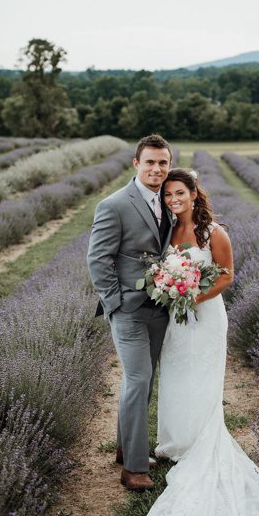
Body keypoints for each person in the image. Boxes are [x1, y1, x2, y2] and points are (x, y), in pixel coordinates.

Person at [140, 168, 259, 516]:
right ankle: (177, 442)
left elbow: (227, 275)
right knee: (175, 374)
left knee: (202, 378)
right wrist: (170, 289)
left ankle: (200, 442)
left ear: (193, 193)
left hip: (205, 316)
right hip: (177, 315)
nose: (173, 200)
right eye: (168, 195)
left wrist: (191, 295)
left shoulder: (213, 232)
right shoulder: (169, 232)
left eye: (179, 194)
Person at [87, 134, 174, 491]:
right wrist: (115, 303)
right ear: (136, 164)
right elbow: (98, 258)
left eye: (163, 163)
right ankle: (135, 468)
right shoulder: (114, 204)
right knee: (138, 380)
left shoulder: (170, 201)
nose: (157, 168)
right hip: (127, 310)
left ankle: (126, 447)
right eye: (150, 162)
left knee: (144, 379)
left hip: (161, 307)